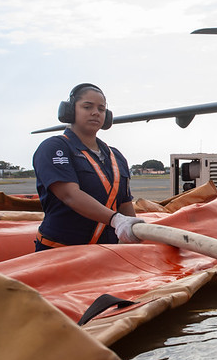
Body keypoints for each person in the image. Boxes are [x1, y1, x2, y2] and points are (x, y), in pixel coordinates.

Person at [32, 83, 144, 251]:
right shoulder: (55, 148)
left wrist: (135, 234)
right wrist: (116, 220)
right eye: (87, 107)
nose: (95, 113)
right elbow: (69, 195)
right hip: (61, 252)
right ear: (70, 111)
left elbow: (124, 203)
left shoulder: (116, 156)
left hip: (105, 252)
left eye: (101, 109)